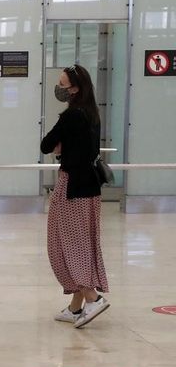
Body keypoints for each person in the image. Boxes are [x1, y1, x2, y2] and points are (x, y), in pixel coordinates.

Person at [40, 64, 109, 328]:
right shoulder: (92, 114)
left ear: (76, 88)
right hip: (90, 187)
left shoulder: (70, 116)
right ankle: (75, 307)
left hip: (72, 187)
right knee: (84, 242)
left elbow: (46, 144)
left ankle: (93, 298)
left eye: (63, 85)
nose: (59, 89)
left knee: (67, 244)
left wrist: (61, 146)